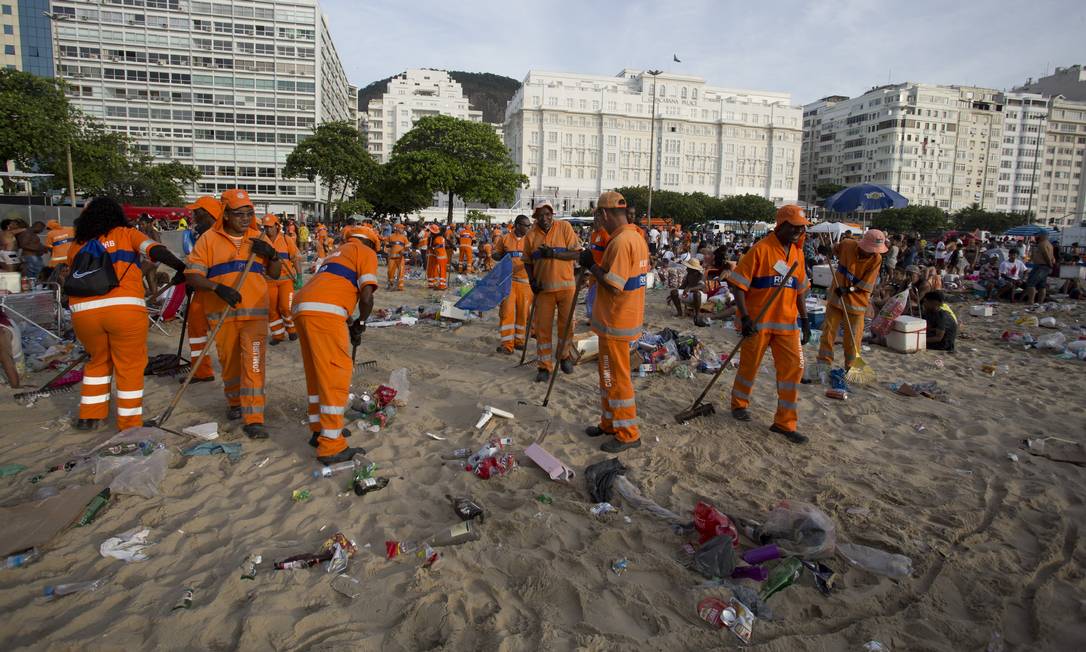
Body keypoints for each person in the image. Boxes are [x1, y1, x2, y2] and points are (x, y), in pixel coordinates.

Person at [65, 197, 187, 431]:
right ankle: (129, 423)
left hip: (84, 313)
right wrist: (182, 268)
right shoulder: (126, 234)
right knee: (129, 365)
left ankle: (89, 416)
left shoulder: (78, 244)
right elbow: (156, 250)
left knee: (97, 361)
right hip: (123, 309)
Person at [184, 189, 280, 439]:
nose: (246, 218)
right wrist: (217, 288)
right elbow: (193, 276)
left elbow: (277, 272)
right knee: (230, 364)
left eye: (249, 213)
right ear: (225, 215)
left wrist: (272, 254)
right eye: (239, 214)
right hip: (222, 314)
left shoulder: (258, 238)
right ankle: (235, 403)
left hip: (255, 316)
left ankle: (254, 418)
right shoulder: (208, 240)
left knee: (254, 365)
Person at [726, 205, 812, 444]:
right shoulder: (760, 250)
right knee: (749, 366)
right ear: (781, 225)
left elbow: (800, 290)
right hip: (758, 321)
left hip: (787, 324)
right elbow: (738, 285)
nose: (797, 231)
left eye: (801, 227)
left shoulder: (797, 254)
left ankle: (784, 423)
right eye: (793, 226)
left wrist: (804, 320)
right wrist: (744, 317)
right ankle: (739, 404)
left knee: (793, 370)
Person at [292, 225, 378, 463]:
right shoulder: (365, 252)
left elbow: (331, 290)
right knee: (335, 376)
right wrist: (361, 322)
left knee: (316, 372)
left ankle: (319, 430)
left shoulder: (337, 253)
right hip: (325, 313)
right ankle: (331, 446)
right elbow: (367, 296)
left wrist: (350, 322)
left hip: (303, 306)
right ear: (371, 244)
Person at [579, 191, 648, 453]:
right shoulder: (635, 238)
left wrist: (591, 265)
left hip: (618, 323)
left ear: (605, 214)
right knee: (607, 376)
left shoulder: (621, 243)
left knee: (617, 380)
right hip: (617, 321)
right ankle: (609, 423)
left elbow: (614, 285)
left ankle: (628, 433)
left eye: (599, 215)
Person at [523, 200, 582, 382]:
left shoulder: (564, 227)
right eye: (541, 215)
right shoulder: (531, 236)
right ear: (536, 217)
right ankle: (544, 366)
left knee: (567, 326)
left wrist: (554, 254)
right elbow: (527, 261)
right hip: (544, 290)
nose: (545, 218)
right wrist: (532, 281)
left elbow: (576, 253)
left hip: (566, 288)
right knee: (543, 330)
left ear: (552, 214)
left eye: (548, 214)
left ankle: (563, 356)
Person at [818, 230, 887, 368]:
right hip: (836, 299)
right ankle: (824, 364)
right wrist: (825, 249)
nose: (872, 253)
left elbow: (866, 285)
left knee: (853, 339)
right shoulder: (847, 244)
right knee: (828, 333)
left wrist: (848, 289)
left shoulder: (876, 259)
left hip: (857, 302)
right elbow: (833, 250)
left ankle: (851, 367)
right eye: (870, 250)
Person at [181, 196, 221, 383]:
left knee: (223, 336)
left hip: (216, 292)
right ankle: (201, 371)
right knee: (196, 331)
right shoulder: (200, 234)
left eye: (197, 212)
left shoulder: (220, 235)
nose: (193, 215)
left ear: (208, 213)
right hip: (200, 290)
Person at [493, 214, 533, 354]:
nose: (529, 227)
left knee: (523, 313)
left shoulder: (531, 240)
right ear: (517, 225)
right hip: (508, 282)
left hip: (525, 283)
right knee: (507, 313)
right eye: (526, 225)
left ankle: (519, 341)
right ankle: (507, 344)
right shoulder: (505, 239)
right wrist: (503, 256)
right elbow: (495, 255)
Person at [262, 214, 300, 345]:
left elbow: (295, 258)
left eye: (270, 227)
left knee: (285, 307)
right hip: (268, 281)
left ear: (277, 226)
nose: (268, 230)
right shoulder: (261, 240)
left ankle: (292, 329)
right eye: (265, 227)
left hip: (286, 281)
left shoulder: (286, 239)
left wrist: (299, 276)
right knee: (272, 310)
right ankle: (278, 335)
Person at [584, 210, 611, 322]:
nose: (595, 219)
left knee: (595, 298)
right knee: (591, 297)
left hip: (600, 272)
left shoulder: (605, 235)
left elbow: (608, 254)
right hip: (592, 272)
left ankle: (597, 318)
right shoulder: (594, 234)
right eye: (594, 217)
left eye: (598, 217)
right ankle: (593, 318)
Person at [667, 259, 710, 326]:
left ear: (692, 269)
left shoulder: (701, 276)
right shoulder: (689, 275)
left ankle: (697, 315)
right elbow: (683, 286)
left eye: (688, 267)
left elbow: (702, 286)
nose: (686, 268)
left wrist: (690, 288)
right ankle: (679, 313)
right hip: (690, 294)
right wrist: (672, 296)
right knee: (674, 292)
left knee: (697, 294)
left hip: (701, 296)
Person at [1024, 232, 1056, 305]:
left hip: (1041, 266)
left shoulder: (1042, 244)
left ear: (1042, 236)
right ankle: (1040, 302)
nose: (1036, 237)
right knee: (1042, 285)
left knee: (1031, 283)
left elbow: (1046, 255)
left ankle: (1031, 301)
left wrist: (1050, 264)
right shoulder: (1049, 244)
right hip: (1044, 266)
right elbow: (1052, 257)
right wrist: (1050, 265)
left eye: (1037, 236)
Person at [385, 223, 409, 290]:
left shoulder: (404, 237)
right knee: (390, 271)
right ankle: (391, 284)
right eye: (401, 228)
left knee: (401, 271)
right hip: (392, 257)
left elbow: (407, 246)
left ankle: (400, 286)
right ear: (397, 229)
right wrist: (389, 246)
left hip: (400, 257)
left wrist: (404, 251)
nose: (403, 229)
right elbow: (386, 244)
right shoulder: (391, 236)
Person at [425, 224, 449, 290]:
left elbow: (436, 247)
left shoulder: (436, 238)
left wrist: (431, 247)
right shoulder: (439, 238)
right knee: (439, 270)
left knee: (439, 270)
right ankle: (434, 283)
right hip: (439, 256)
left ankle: (441, 285)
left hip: (439, 256)